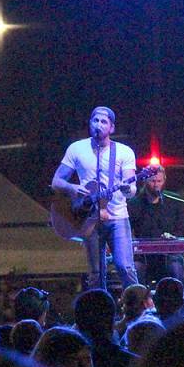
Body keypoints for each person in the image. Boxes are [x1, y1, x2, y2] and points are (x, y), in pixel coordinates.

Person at [51, 106, 139, 290]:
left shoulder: (124, 152)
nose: (98, 125)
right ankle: (99, 306)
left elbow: (132, 189)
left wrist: (127, 189)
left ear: (112, 128)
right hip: (89, 218)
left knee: (125, 267)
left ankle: (139, 304)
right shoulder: (76, 149)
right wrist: (73, 188)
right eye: (95, 120)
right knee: (96, 273)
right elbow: (56, 182)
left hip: (117, 217)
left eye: (104, 122)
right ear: (90, 123)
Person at [127, 165, 184, 288]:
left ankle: (180, 299)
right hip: (143, 256)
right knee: (135, 269)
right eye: (153, 181)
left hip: (170, 254)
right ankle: (139, 299)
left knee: (175, 267)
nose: (156, 185)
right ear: (145, 181)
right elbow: (127, 231)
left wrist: (172, 237)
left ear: (164, 180)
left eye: (159, 181)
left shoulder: (174, 201)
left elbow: (181, 229)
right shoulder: (134, 204)